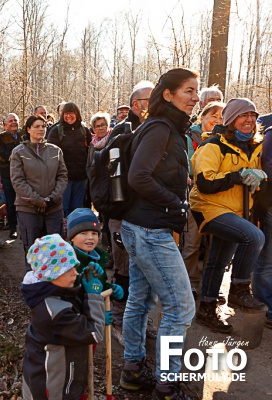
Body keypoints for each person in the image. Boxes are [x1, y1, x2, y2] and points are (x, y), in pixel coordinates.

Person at [119, 68, 198, 400]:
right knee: (181, 308)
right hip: (150, 231)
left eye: (197, 91)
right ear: (168, 94)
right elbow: (139, 177)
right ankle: (167, 385)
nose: (195, 97)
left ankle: (132, 372)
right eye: (189, 91)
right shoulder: (161, 128)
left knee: (139, 301)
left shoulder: (167, 128)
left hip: (139, 228)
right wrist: (176, 205)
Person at [190, 98, 267, 333]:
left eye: (253, 116)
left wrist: (260, 176)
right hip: (209, 206)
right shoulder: (214, 145)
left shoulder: (254, 146)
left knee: (218, 259)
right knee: (254, 237)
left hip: (235, 209)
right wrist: (238, 175)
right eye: (244, 115)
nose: (250, 120)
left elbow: (255, 176)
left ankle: (207, 308)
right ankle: (239, 289)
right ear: (232, 120)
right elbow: (204, 182)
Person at [21, 233, 106, 400]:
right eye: (69, 270)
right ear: (51, 275)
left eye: (75, 266)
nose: (75, 273)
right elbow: (95, 332)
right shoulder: (54, 314)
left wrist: (84, 280)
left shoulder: (49, 293)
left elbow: (69, 298)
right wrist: (94, 297)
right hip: (52, 390)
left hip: (62, 381)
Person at [106, 80, 154, 343]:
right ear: (136, 105)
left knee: (145, 273)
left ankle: (138, 322)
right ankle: (118, 321)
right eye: (149, 100)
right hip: (124, 215)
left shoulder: (155, 129)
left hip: (149, 216)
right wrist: (121, 212)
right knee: (124, 270)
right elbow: (114, 177)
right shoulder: (123, 132)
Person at [11, 115, 67, 270]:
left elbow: (62, 176)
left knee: (54, 250)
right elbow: (18, 181)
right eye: (37, 126)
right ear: (28, 129)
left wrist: (53, 198)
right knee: (33, 251)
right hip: (28, 209)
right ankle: (34, 288)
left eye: (43, 126)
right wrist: (38, 200)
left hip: (53, 208)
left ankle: (54, 287)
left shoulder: (55, 151)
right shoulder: (19, 152)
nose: (41, 129)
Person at [183, 101, 224, 299]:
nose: (217, 121)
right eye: (213, 116)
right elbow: (191, 167)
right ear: (203, 118)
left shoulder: (226, 139)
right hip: (195, 197)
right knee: (192, 242)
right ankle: (189, 283)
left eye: (221, 117)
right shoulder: (189, 136)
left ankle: (209, 286)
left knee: (214, 245)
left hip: (220, 199)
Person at [66, 208, 124, 301]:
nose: (90, 237)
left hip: (94, 309)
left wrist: (111, 290)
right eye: (83, 233)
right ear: (72, 237)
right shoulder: (67, 260)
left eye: (94, 233)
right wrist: (81, 278)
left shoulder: (99, 257)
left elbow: (99, 286)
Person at [47, 102, 92, 216]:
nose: (69, 116)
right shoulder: (56, 131)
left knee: (77, 209)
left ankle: (74, 232)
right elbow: (51, 155)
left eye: (72, 113)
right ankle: (63, 232)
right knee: (63, 208)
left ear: (77, 114)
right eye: (66, 114)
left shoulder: (84, 131)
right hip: (63, 179)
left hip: (81, 177)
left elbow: (90, 152)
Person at [253, 125, 272, 329]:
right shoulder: (271, 134)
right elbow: (268, 166)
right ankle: (267, 309)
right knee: (267, 260)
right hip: (270, 205)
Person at [0, 113, 22, 239]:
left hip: (23, 174)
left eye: (15, 120)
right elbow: (3, 155)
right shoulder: (0, 138)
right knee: (11, 202)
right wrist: (18, 154)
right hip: (7, 174)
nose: (13, 122)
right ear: (5, 125)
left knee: (24, 201)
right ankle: (12, 228)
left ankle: (24, 228)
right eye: (10, 121)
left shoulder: (23, 135)